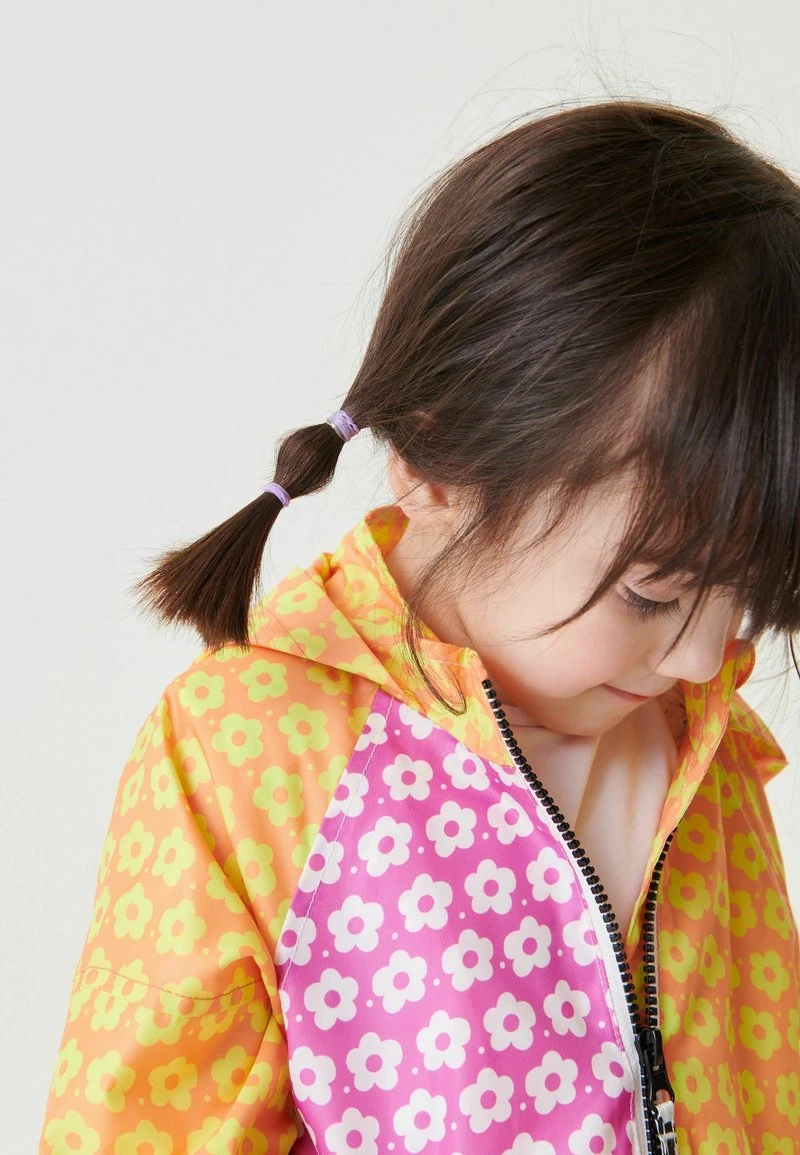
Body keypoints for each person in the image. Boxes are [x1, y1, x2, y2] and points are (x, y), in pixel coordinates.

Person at [38, 99, 799, 1155]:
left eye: (745, 594)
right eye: (651, 594)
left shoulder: (699, 741)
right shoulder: (250, 752)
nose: (705, 655)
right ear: (439, 464)